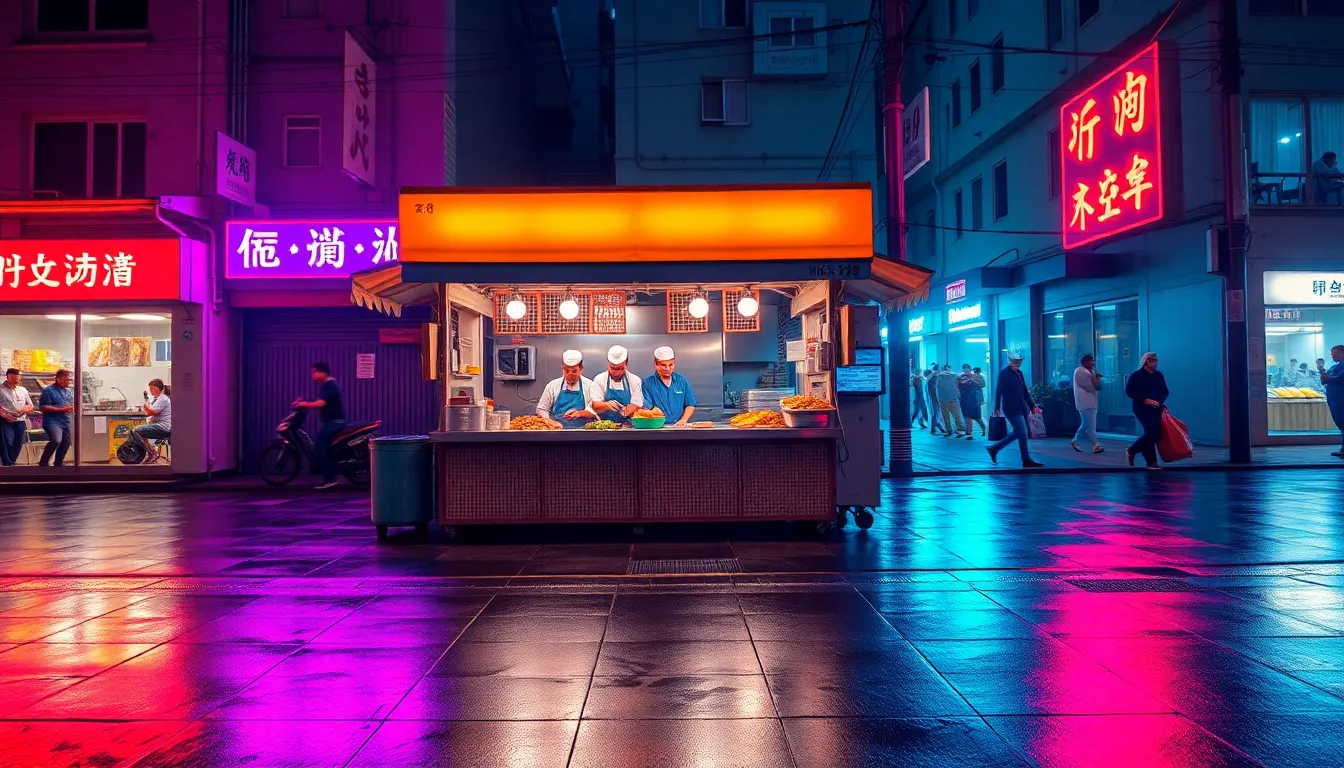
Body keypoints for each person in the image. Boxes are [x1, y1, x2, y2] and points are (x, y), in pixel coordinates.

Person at [987, 351, 1044, 468]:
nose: (1018, 363)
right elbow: (999, 391)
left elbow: (1024, 391)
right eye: (1016, 361)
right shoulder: (1004, 374)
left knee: (1020, 433)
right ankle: (1024, 459)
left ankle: (995, 448)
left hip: (1021, 406)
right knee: (1022, 432)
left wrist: (1032, 405)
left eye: (1019, 361)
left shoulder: (1019, 373)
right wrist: (997, 407)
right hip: (1010, 407)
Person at [294, 362, 345, 490]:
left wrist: (304, 404)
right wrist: (304, 403)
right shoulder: (328, 385)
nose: (313, 376)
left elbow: (320, 403)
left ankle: (329, 478)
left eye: (314, 372)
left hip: (334, 422)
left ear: (322, 372)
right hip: (333, 422)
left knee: (320, 448)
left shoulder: (329, 385)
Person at [1124, 352, 1169, 470]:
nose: (1156, 362)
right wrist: (1145, 400)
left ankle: (1149, 461)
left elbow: (1165, 391)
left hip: (1156, 407)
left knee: (1155, 433)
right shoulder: (1136, 376)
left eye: (1156, 360)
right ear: (1146, 361)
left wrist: (1158, 401)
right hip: (1142, 408)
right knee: (1152, 431)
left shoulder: (1159, 375)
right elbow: (1130, 392)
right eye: (1153, 360)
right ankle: (1137, 453)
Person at [537, 349, 598, 429]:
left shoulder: (590, 386)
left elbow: (596, 411)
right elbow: (542, 409)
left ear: (581, 369)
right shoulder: (552, 386)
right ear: (562, 368)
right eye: (566, 371)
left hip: (583, 433)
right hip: (557, 432)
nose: (570, 375)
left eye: (574, 371)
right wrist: (550, 422)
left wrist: (580, 413)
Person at [644, 346, 698, 425]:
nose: (667, 368)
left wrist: (683, 420)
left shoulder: (681, 380)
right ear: (655, 364)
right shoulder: (648, 383)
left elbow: (690, 404)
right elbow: (647, 408)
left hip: (680, 427)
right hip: (658, 428)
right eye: (663, 365)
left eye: (671, 365)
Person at [590, 345, 644, 423]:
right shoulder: (599, 379)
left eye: (620, 368)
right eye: (613, 368)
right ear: (608, 363)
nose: (616, 373)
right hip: (605, 428)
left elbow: (637, 404)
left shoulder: (635, 380)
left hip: (628, 428)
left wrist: (627, 411)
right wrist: (607, 405)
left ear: (626, 364)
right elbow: (595, 405)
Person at [38, 369, 75, 467]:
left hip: (66, 420)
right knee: (56, 440)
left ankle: (58, 463)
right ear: (58, 379)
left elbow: (71, 404)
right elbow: (43, 407)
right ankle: (43, 462)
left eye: (69, 380)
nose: (68, 382)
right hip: (52, 420)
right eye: (66, 379)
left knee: (66, 442)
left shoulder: (69, 391)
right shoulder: (48, 390)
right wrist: (62, 409)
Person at [1071, 354, 1104, 454]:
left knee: (1086, 424)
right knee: (1091, 424)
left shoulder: (1091, 371)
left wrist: (1096, 378)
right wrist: (1095, 379)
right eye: (1090, 361)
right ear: (1084, 362)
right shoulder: (1080, 371)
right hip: (1085, 402)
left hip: (1091, 402)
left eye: (1092, 361)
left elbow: (1097, 386)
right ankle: (1095, 445)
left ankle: (1075, 440)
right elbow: (1090, 387)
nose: (1092, 363)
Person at [132, 378, 172, 461]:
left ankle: (152, 452)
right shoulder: (157, 399)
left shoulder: (163, 399)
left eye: (151, 389)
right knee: (139, 432)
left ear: (156, 388)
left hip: (163, 427)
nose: (150, 391)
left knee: (136, 431)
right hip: (159, 425)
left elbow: (153, 412)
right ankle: (151, 451)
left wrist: (145, 407)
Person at [0, 368, 33, 467]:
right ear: (8, 377)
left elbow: (30, 405)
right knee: (7, 441)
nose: (17, 381)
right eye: (15, 378)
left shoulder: (23, 390)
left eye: (18, 378)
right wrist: (4, 414)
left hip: (20, 420)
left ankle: (12, 462)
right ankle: (7, 463)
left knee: (18, 442)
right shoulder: (1, 389)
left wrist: (22, 411)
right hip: (5, 419)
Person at [1319, 345, 1344, 457]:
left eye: (1335, 353)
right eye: (1332, 354)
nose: (1333, 356)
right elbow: (1325, 380)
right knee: (1340, 423)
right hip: (1334, 400)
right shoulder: (1335, 367)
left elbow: (1340, 378)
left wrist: (1328, 378)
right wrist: (1323, 374)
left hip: (1341, 399)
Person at [935, 364, 966, 437]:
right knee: (956, 415)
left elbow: (937, 388)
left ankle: (949, 430)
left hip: (944, 399)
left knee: (946, 417)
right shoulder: (954, 376)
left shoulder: (939, 377)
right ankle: (960, 429)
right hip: (952, 399)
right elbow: (957, 386)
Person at [958, 364, 985, 438]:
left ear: (970, 369)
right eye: (964, 369)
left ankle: (983, 429)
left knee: (977, 418)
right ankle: (969, 433)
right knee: (967, 416)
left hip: (974, 400)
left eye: (967, 369)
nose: (966, 371)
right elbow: (957, 386)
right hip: (964, 399)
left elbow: (982, 385)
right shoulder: (960, 377)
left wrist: (973, 381)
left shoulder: (975, 376)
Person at [925, 368, 946, 434]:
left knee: (934, 412)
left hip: (931, 398)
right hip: (935, 398)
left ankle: (933, 427)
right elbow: (934, 390)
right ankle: (937, 425)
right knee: (936, 412)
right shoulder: (933, 379)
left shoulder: (929, 379)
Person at [910, 362, 929, 428]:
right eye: (920, 372)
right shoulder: (917, 379)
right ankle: (921, 421)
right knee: (920, 410)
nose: (921, 373)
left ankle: (920, 422)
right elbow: (917, 387)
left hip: (919, 397)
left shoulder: (920, 379)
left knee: (918, 411)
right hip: (919, 398)